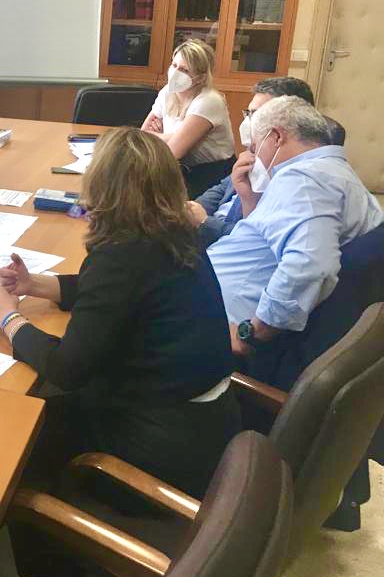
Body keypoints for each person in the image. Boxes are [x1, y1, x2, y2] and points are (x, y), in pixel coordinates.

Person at [0, 127, 238, 491]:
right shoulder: (174, 232)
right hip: (205, 422)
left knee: (9, 435)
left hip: (155, 450)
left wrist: (8, 319)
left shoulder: (121, 257)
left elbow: (67, 369)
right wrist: (36, 284)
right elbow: (117, 296)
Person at [208, 96, 382, 356]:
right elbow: (268, 243)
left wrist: (251, 335)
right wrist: (251, 200)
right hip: (211, 306)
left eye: (254, 148)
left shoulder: (303, 178)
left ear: (276, 137)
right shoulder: (331, 173)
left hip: (220, 323)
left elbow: (310, 266)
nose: (252, 158)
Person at [186, 76, 316, 246]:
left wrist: (205, 222)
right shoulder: (254, 154)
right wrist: (189, 211)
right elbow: (222, 189)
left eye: (257, 115)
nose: (248, 122)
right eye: (248, 113)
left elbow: (255, 241)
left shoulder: (294, 181)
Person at [141, 38, 236, 197]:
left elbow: (173, 152)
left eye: (184, 70)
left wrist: (163, 137)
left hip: (210, 176)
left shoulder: (209, 101)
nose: (175, 73)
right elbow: (143, 134)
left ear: (200, 77)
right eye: (174, 65)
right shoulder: (168, 91)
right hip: (178, 170)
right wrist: (174, 136)